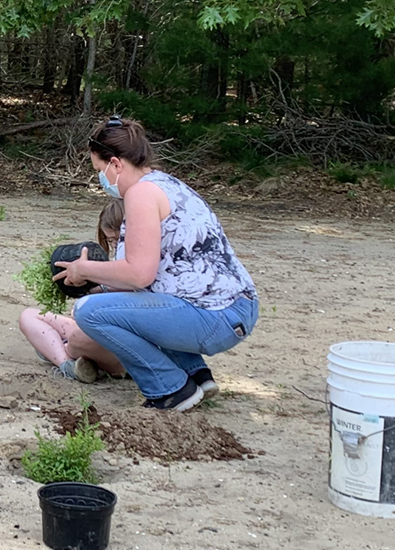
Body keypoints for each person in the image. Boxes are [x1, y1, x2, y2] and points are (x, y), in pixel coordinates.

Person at [55, 116, 259, 411]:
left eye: (99, 170)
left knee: (90, 312)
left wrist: (83, 270)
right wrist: (95, 278)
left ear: (115, 164)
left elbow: (138, 274)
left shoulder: (139, 194)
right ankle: (194, 374)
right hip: (237, 308)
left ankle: (169, 390)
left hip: (215, 318)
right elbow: (152, 274)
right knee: (134, 306)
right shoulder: (167, 185)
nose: (101, 180)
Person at [18, 200, 128, 383]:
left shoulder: (143, 264)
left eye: (118, 240)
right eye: (110, 241)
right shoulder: (117, 263)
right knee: (29, 315)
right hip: (105, 335)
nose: (115, 246)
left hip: (124, 346)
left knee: (77, 338)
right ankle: (67, 364)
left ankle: (61, 354)